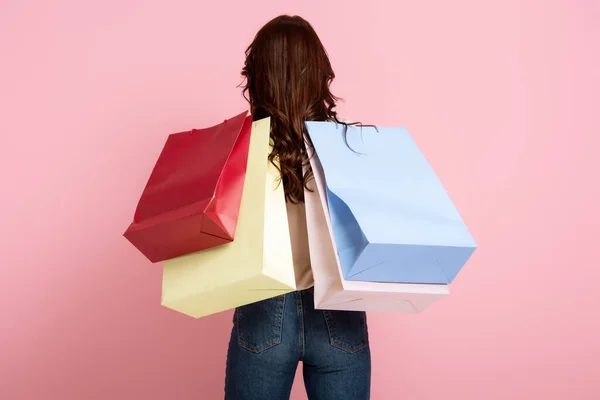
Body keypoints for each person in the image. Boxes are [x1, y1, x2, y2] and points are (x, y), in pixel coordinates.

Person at [224, 15, 371, 400]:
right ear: (318, 72)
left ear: (259, 74)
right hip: (338, 309)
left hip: (264, 310)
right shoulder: (353, 147)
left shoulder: (237, 149)